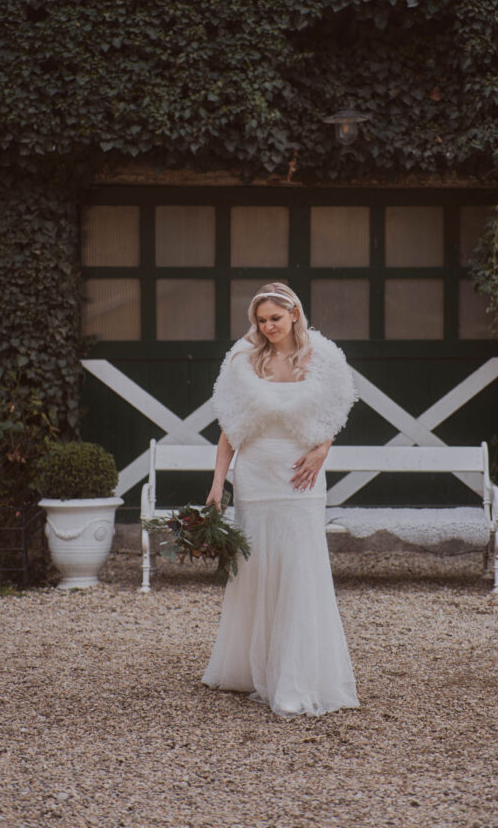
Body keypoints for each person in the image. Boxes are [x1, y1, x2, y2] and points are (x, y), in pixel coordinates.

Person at [201, 282, 359, 717]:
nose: (268, 326)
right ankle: (253, 668)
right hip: (255, 474)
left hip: (300, 476)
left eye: (275, 317)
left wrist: (322, 450)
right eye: (261, 319)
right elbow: (230, 430)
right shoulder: (245, 362)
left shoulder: (320, 358)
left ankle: (298, 673)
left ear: (293, 314)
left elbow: (332, 414)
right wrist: (219, 484)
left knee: (299, 566)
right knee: (256, 566)